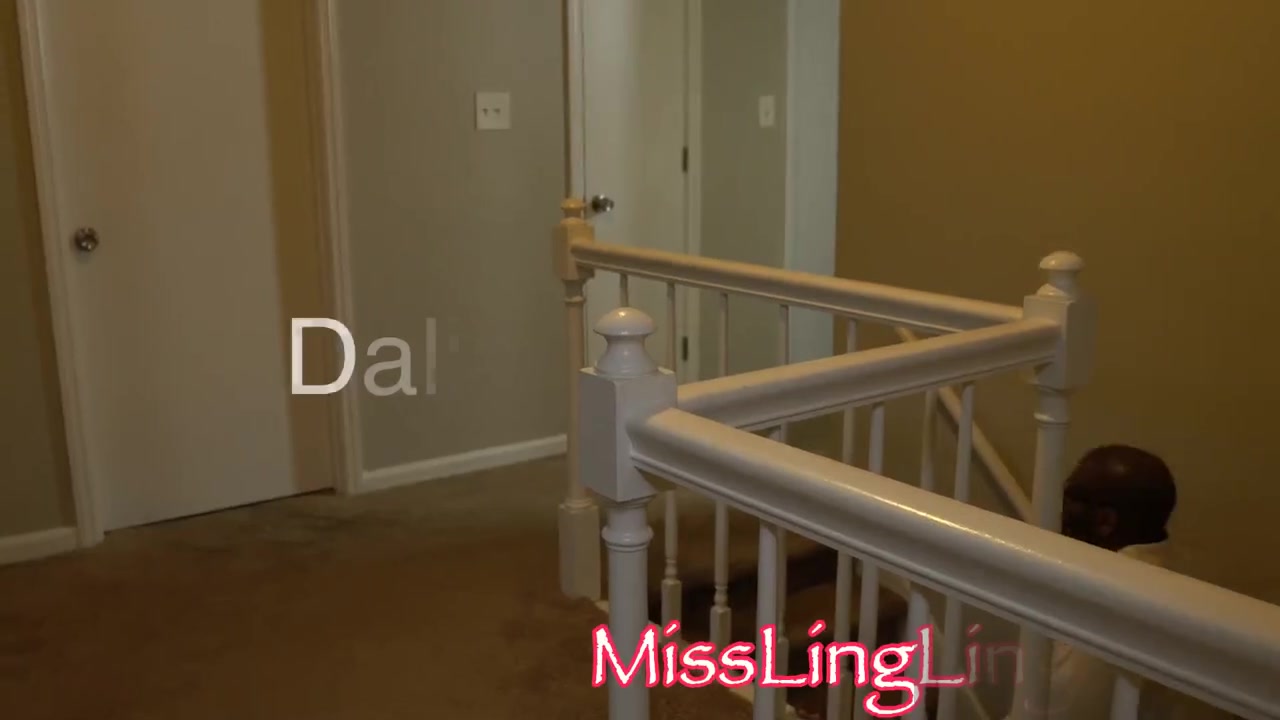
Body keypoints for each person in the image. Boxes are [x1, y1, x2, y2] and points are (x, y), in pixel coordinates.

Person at [1009, 444, 1178, 720]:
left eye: (1070, 498)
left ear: (1105, 521)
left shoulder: (1104, 600)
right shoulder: (1166, 577)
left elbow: (1058, 709)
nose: (1060, 510)